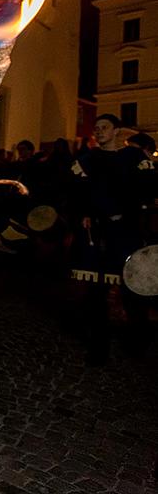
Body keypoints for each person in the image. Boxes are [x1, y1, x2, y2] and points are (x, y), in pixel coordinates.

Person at [70, 114, 153, 364]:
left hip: (126, 231)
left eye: (104, 127)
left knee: (133, 291)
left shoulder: (135, 157)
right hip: (96, 232)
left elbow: (146, 189)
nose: (98, 131)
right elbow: (77, 192)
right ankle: (98, 348)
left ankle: (137, 344)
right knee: (96, 294)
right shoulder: (86, 159)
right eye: (96, 128)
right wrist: (85, 212)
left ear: (117, 131)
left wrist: (126, 212)